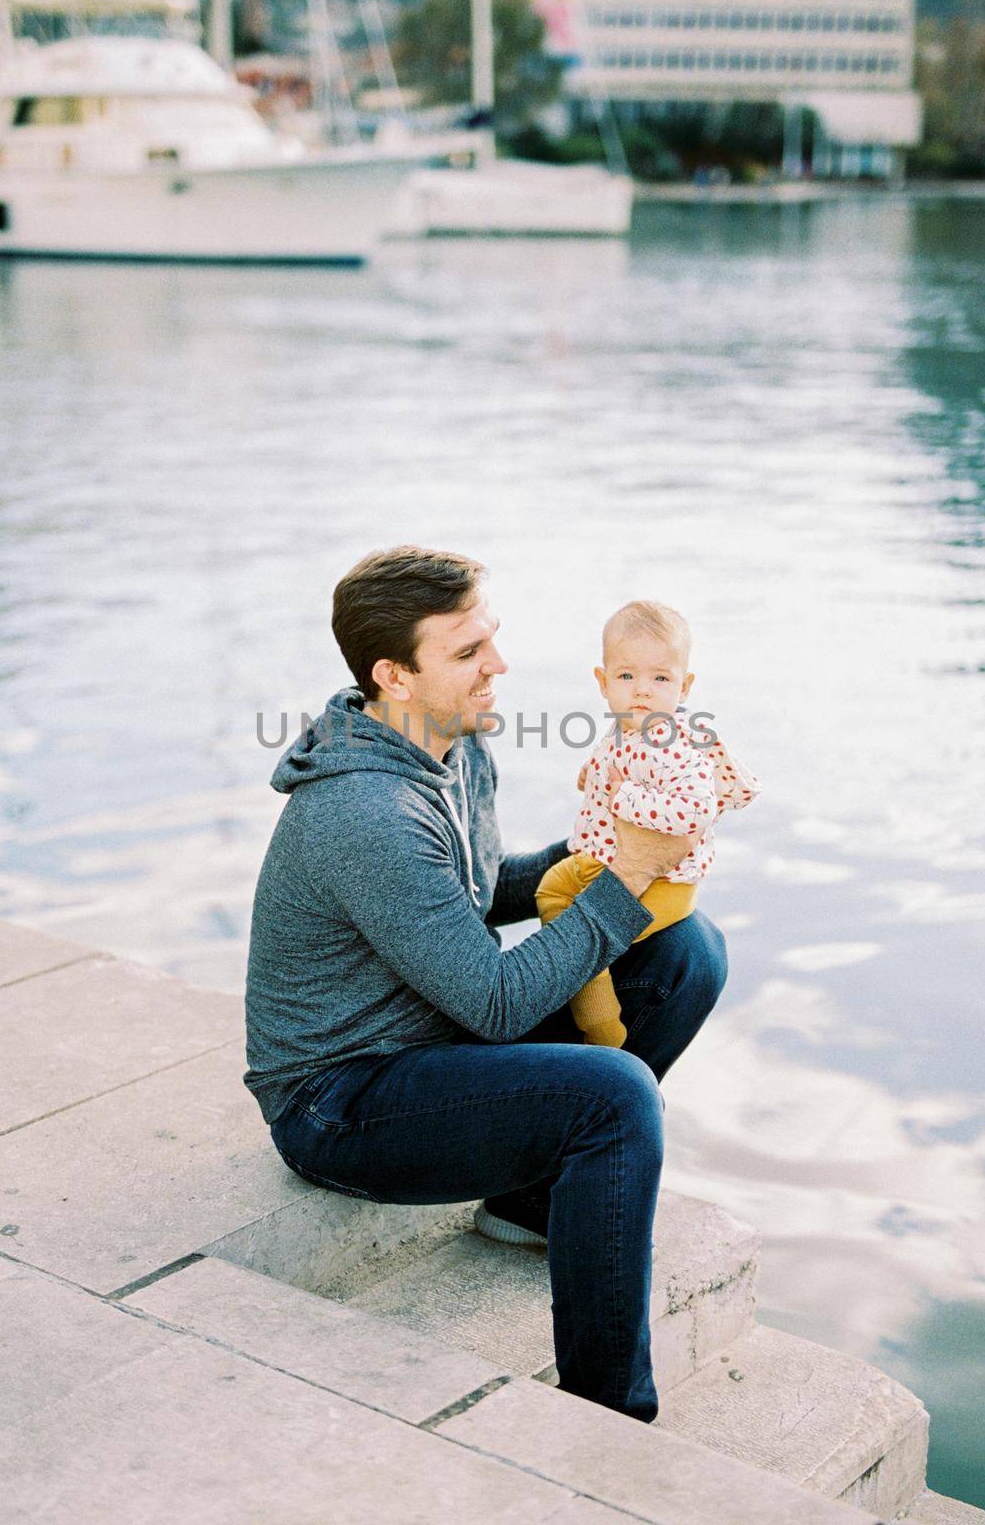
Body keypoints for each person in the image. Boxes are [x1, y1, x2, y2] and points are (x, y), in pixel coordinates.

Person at [244, 545, 729, 1424]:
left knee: (685, 951)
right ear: (393, 674)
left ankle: (527, 1197)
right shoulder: (364, 813)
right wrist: (625, 881)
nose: (498, 666)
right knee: (613, 1098)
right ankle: (610, 1421)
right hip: (340, 1097)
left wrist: (608, 855)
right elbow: (496, 1001)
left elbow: (469, 887)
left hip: (429, 1029)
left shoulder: (450, 745)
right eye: (467, 653)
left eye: (491, 641)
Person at [537, 599, 760, 1047]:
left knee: (587, 934)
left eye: (660, 678)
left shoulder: (675, 745)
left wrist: (623, 797)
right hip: (606, 860)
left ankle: (601, 1027)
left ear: (685, 685)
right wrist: (592, 775)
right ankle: (572, 1000)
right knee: (551, 889)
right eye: (626, 676)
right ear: (602, 682)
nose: (642, 690)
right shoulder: (630, 727)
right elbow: (616, 762)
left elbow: (693, 812)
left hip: (664, 885)